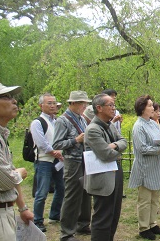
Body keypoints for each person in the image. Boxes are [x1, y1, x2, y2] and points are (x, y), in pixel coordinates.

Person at [84, 94, 127, 241]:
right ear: (99, 108)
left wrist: (114, 145)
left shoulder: (110, 125)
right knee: (102, 217)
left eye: (114, 105)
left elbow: (124, 141)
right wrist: (117, 151)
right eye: (110, 105)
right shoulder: (93, 129)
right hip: (102, 177)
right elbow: (105, 154)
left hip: (114, 172)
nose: (114, 108)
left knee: (114, 214)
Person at [0, 80, 34, 241]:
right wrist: (18, 173)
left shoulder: (0, 135)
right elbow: (5, 181)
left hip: (4, 212)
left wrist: (22, 207)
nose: (14, 101)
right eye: (5, 97)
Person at [129, 95, 160, 240]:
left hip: (155, 166)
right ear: (142, 108)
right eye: (150, 105)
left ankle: (153, 223)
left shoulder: (152, 123)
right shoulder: (138, 126)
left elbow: (158, 140)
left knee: (155, 197)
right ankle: (143, 227)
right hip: (144, 167)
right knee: (145, 199)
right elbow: (142, 149)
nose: (153, 108)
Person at [53, 90, 92, 241]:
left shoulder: (81, 118)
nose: (85, 106)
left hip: (84, 160)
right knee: (72, 197)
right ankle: (67, 232)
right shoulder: (63, 120)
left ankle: (83, 225)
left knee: (86, 193)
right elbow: (56, 143)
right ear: (73, 103)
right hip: (72, 162)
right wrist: (75, 140)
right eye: (83, 103)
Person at [31, 93, 65, 232]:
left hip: (58, 161)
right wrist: (54, 152)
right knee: (42, 192)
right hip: (44, 161)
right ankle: (37, 220)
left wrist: (60, 152)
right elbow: (41, 143)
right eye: (49, 103)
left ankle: (55, 214)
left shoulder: (57, 120)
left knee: (61, 188)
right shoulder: (37, 122)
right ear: (41, 105)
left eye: (54, 103)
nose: (53, 106)